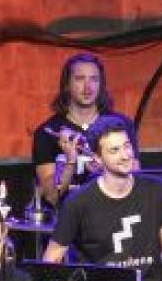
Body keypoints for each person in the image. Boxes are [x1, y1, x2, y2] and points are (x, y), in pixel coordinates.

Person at [43, 115, 162, 275]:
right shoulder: (78, 203)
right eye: (114, 150)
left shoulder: (157, 189)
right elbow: (51, 259)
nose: (125, 155)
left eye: (127, 146)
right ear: (98, 158)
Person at [33, 52, 135, 208]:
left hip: (113, 214)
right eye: (80, 79)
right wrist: (71, 162)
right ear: (67, 84)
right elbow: (52, 197)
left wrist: (105, 168)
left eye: (94, 79)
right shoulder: (47, 132)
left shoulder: (121, 125)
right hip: (68, 216)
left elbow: (134, 177)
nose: (88, 87)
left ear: (101, 84)